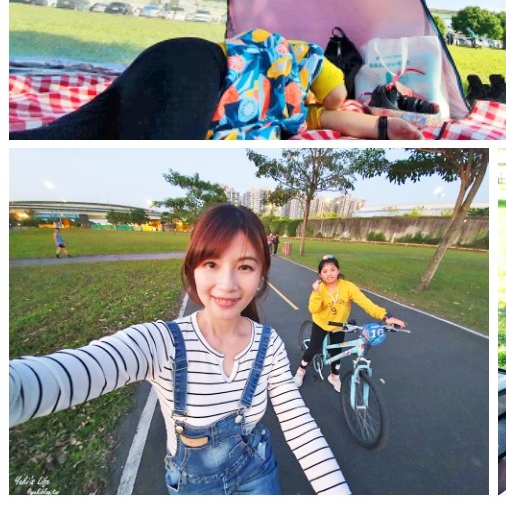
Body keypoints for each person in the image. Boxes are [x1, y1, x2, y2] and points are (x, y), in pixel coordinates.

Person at [9, 204, 349, 494]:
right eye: (212, 264)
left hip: (260, 475)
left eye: (244, 266)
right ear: (193, 268)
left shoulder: (268, 343)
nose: (227, 284)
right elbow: (59, 377)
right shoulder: (162, 343)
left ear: (261, 275)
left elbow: (300, 426)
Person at [10, 30, 425, 141]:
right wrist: (346, 96)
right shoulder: (307, 56)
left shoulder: (287, 114)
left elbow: (331, 119)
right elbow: (336, 100)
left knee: (77, 132)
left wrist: (384, 128)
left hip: (172, 69)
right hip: (206, 70)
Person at [297, 255, 406, 393]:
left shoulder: (348, 287)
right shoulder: (319, 289)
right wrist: (316, 292)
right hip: (322, 323)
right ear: (320, 275)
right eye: (325, 271)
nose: (329, 273)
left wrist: (386, 317)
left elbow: (366, 303)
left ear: (338, 270)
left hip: (339, 325)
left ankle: (334, 376)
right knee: (313, 348)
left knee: (337, 351)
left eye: (332, 269)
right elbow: (313, 309)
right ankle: (301, 369)